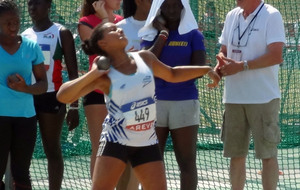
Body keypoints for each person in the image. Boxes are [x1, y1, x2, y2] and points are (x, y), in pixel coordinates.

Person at [56, 22, 219, 190]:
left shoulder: (145, 59)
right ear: (102, 44)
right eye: (112, 30)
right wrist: (93, 74)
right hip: (115, 141)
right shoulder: (104, 76)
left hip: (146, 142)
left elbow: (172, 73)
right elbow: (63, 96)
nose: (119, 29)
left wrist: (205, 69)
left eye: (117, 27)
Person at [214, 0, 285, 189]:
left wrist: (243, 66)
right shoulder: (231, 15)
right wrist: (218, 69)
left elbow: (276, 55)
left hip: (263, 98)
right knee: (236, 155)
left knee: (268, 155)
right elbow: (224, 51)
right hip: (233, 98)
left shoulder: (271, 15)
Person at [139, 0, 207, 189]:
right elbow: (145, 65)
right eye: (166, 6)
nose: (171, 10)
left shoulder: (194, 35)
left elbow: (199, 69)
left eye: (175, 5)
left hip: (184, 102)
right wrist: (163, 34)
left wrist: (172, 74)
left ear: (183, 8)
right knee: (152, 161)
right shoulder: (150, 34)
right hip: (154, 103)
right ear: (159, 9)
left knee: (186, 162)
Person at [21, 0, 79, 189]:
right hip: (27, 97)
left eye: (37, 3)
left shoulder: (61, 33)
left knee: (52, 149)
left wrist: (74, 106)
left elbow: (72, 74)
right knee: (23, 151)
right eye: (30, 4)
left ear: (48, 6)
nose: (32, 8)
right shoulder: (24, 35)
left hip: (52, 96)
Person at [0, 0, 48, 189]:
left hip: (25, 117)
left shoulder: (30, 46)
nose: (13, 26)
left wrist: (25, 88)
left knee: (21, 173)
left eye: (16, 22)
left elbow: (43, 84)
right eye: (7, 23)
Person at [77, 0, 123, 178]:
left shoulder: (122, 21)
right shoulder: (86, 22)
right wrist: (105, 18)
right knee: (100, 147)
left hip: (123, 91)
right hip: (97, 93)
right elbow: (104, 50)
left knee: (123, 146)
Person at [116, 0, 152, 189]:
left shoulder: (161, 26)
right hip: (124, 104)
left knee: (146, 160)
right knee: (124, 161)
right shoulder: (121, 28)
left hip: (152, 103)